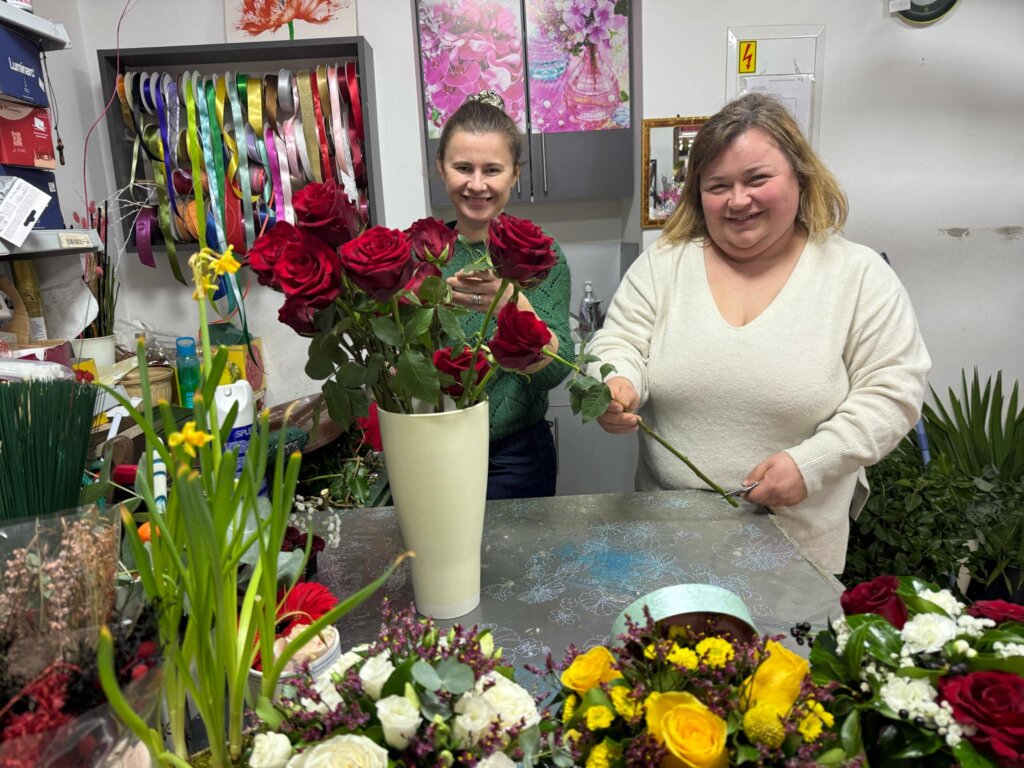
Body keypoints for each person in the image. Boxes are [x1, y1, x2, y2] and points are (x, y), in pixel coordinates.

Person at [589, 92, 930, 573]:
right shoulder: (664, 265)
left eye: (757, 179)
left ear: (800, 176)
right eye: (717, 185)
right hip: (669, 539)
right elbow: (619, 342)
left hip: (796, 546)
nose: (738, 200)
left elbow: (892, 392)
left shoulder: (857, 275)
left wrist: (813, 464)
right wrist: (617, 381)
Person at [435, 93, 574, 500]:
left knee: (513, 565)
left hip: (514, 457)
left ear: (515, 174)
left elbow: (554, 372)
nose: (476, 184)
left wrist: (513, 302)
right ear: (442, 169)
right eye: (463, 167)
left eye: (492, 169)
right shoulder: (420, 253)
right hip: (433, 448)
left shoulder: (542, 258)